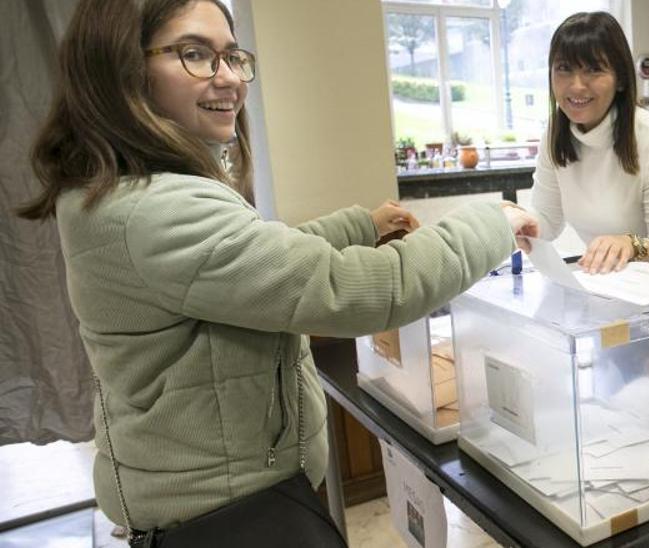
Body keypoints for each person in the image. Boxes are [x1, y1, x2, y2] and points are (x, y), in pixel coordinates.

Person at [15, 0, 537, 542]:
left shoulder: (129, 191)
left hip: (221, 498)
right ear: (120, 68)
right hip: (230, 516)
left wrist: (358, 226)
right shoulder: (156, 210)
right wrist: (492, 222)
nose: (230, 81)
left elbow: (250, 258)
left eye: (232, 56)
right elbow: (365, 291)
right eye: (195, 54)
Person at [526, 11, 649, 275]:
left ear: (620, 79)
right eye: (564, 68)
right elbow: (547, 222)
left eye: (594, 70)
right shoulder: (555, 133)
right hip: (616, 287)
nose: (576, 86)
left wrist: (633, 245)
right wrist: (514, 221)